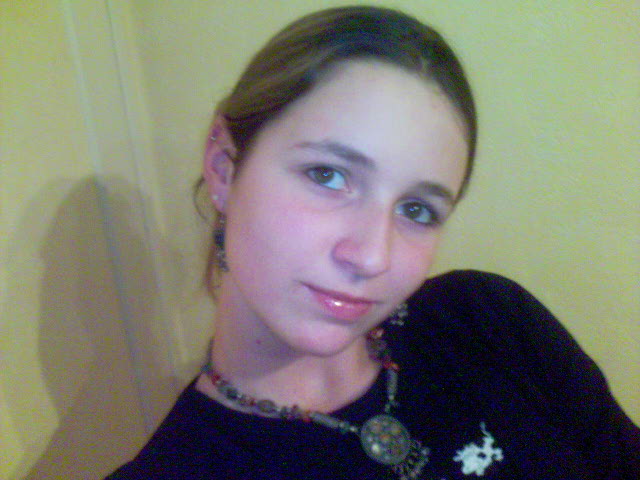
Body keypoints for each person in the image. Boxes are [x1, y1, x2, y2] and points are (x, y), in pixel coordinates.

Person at [105, 6, 640, 480]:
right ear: (224, 168)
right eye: (328, 175)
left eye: (416, 209)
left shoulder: (489, 322)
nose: (371, 257)